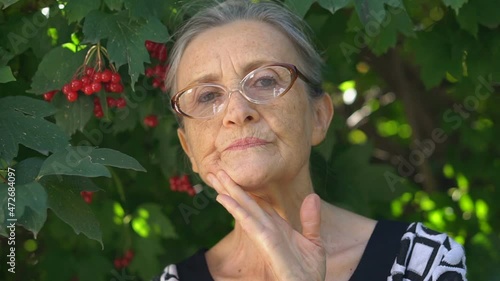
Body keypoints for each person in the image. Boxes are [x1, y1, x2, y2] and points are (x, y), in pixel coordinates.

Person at [153, 0, 468, 280]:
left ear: (318, 117)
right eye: (207, 95)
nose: (238, 111)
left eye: (265, 80)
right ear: (189, 149)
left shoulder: (421, 261)